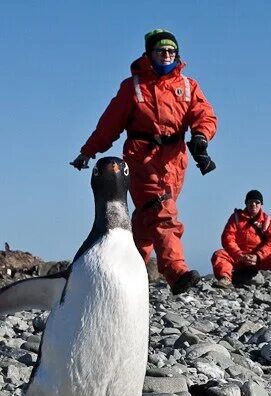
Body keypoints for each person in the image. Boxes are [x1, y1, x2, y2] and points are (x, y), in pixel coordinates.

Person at [70, 29, 218, 294]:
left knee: (146, 219)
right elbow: (109, 124)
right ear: (149, 54)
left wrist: (201, 137)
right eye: (161, 51)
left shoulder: (188, 86)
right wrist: (88, 151)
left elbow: (204, 114)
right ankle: (176, 272)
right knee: (162, 213)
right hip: (143, 159)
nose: (166, 55)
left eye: (171, 51)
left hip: (175, 161)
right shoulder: (133, 87)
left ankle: (127, 268)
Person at [211, 190, 271, 290]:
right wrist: (239, 254)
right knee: (219, 255)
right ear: (246, 203)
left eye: (257, 202)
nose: (254, 204)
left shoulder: (267, 220)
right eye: (250, 202)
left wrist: (258, 256)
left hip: (260, 258)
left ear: (261, 204)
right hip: (239, 257)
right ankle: (225, 279)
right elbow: (227, 237)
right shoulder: (236, 218)